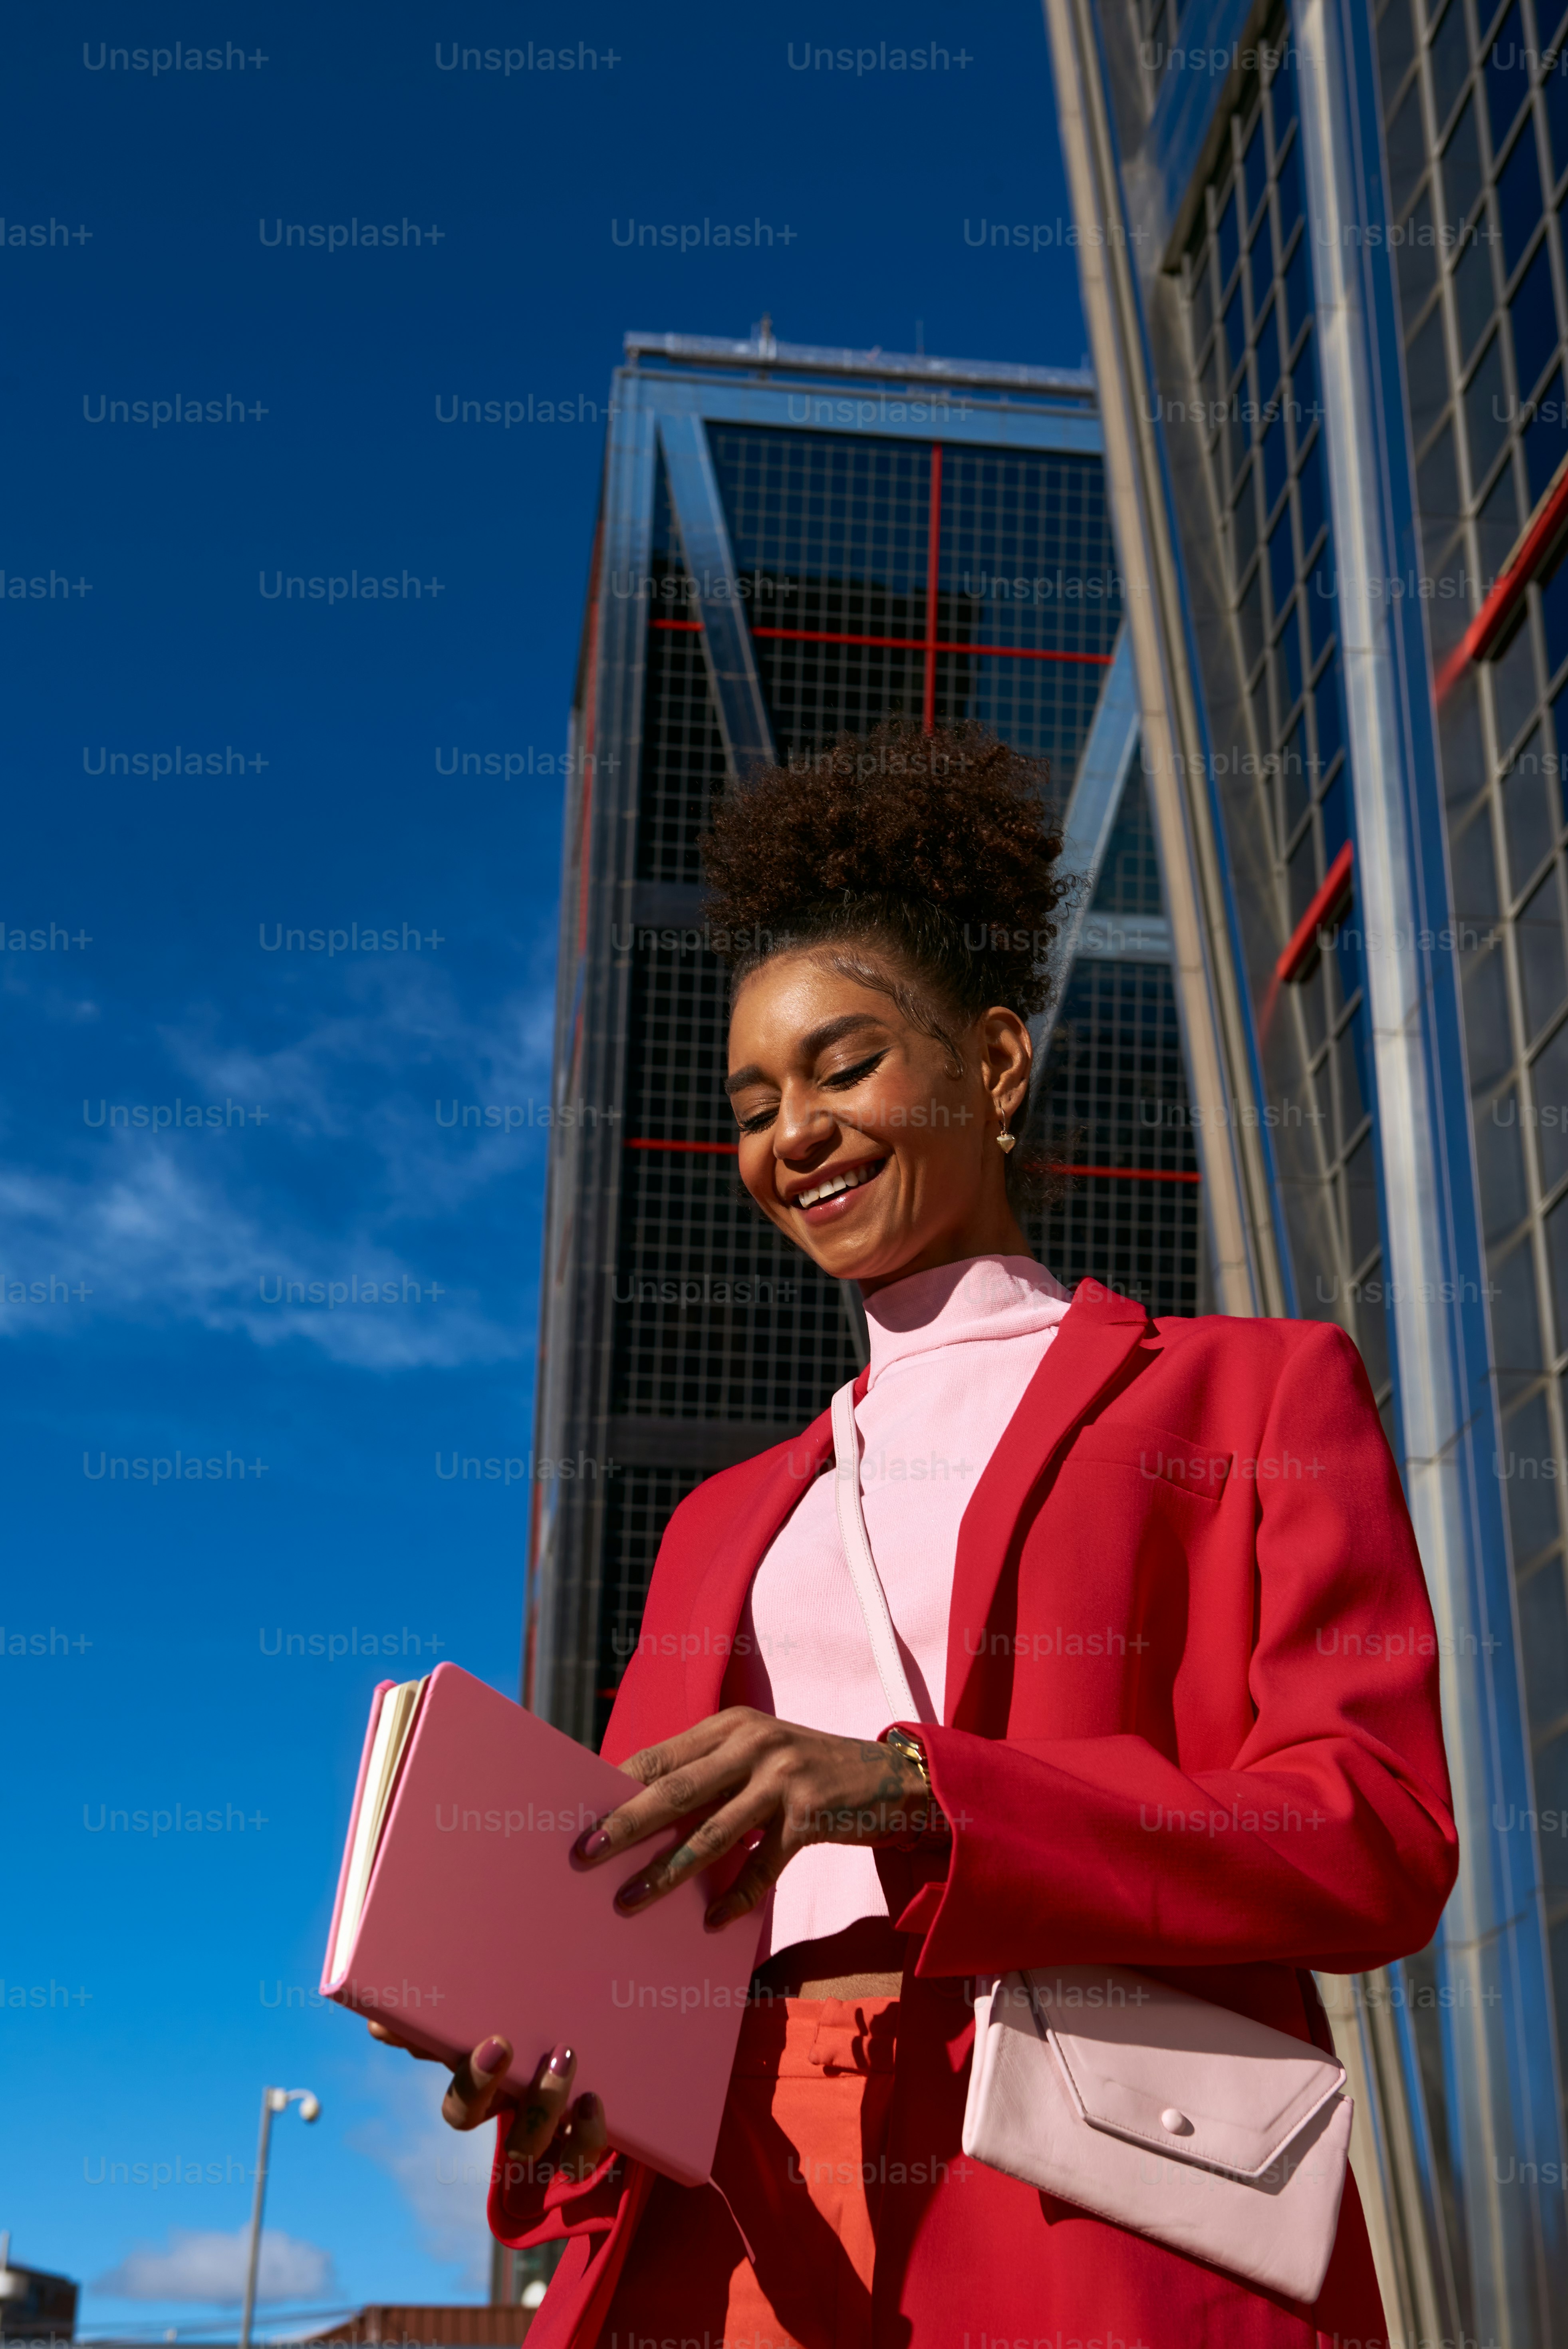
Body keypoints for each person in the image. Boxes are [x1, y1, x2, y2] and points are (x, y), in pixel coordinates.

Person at [371, 720, 1457, 2349]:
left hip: (1090, 2200)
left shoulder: (1255, 1392)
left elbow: (1372, 1828)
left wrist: (907, 1784)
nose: (790, 1131)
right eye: (750, 1102)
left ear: (995, 1066)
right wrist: (549, 2063)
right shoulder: (719, 1522)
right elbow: (642, 1922)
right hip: (731, 2221)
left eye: (844, 1064)